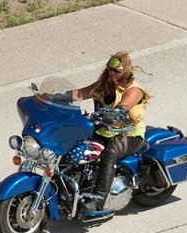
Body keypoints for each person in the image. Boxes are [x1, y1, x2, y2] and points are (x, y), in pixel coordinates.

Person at [47, 51, 151, 213]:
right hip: (103, 132)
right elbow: (79, 94)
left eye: (116, 70)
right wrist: (54, 98)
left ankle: (99, 199)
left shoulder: (134, 90)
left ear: (126, 71)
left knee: (111, 153)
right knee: (71, 145)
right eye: (110, 69)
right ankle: (64, 188)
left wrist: (115, 113)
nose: (111, 73)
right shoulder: (103, 86)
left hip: (128, 134)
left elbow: (123, 106)